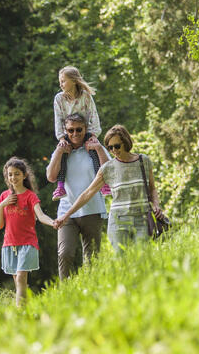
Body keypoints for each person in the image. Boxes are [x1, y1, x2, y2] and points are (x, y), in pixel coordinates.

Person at [54, 125, 163, 250]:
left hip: (142, 220)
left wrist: (156, 204)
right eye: (110, 148)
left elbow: (152, 188)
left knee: (142, 259)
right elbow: (87, 193)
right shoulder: (107, 168)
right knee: (122, 263)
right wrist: (66, 215)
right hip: (119, 222)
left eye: (117, 146)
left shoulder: (143, 161)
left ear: (126, 142)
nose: (114, 151)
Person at [46, 113, 109, 279]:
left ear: (86, 129)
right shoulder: (62, 150)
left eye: (79, 129)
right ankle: (65, 292)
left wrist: (99, 148)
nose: (75, 134)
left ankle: (91, 291)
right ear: (65, 131)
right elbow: (51, 177)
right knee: (65, 253)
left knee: (92, 258)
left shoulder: (94, 147)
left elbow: (109, 172)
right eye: (70, 130)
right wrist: (59, 152)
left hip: (93, 209)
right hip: (67, 211)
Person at [0, 157, 56, 306]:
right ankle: (25, 311)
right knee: (19, 282)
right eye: (10, 174)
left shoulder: (30, 196)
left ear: (24, 175)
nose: (13, 177)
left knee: (21, 278)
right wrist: (2, 205)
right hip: (9, 244)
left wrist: (53, 222)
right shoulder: (4, 196)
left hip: (28, 243)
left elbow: (40, 216)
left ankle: (19, 313)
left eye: (16, 174)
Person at [51, 66, 112, 200]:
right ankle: (60, 186)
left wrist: (94, 135)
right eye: (60, 81)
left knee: (94, 153)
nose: (61, 84)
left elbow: (93, 115)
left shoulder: (85, 96)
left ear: (73, 81)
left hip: (85, 131)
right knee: (63, 154)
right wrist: (61, 138)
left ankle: (103, 184)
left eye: (63, 81)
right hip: (68, 133)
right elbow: (58, 119)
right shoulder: (59, 99)